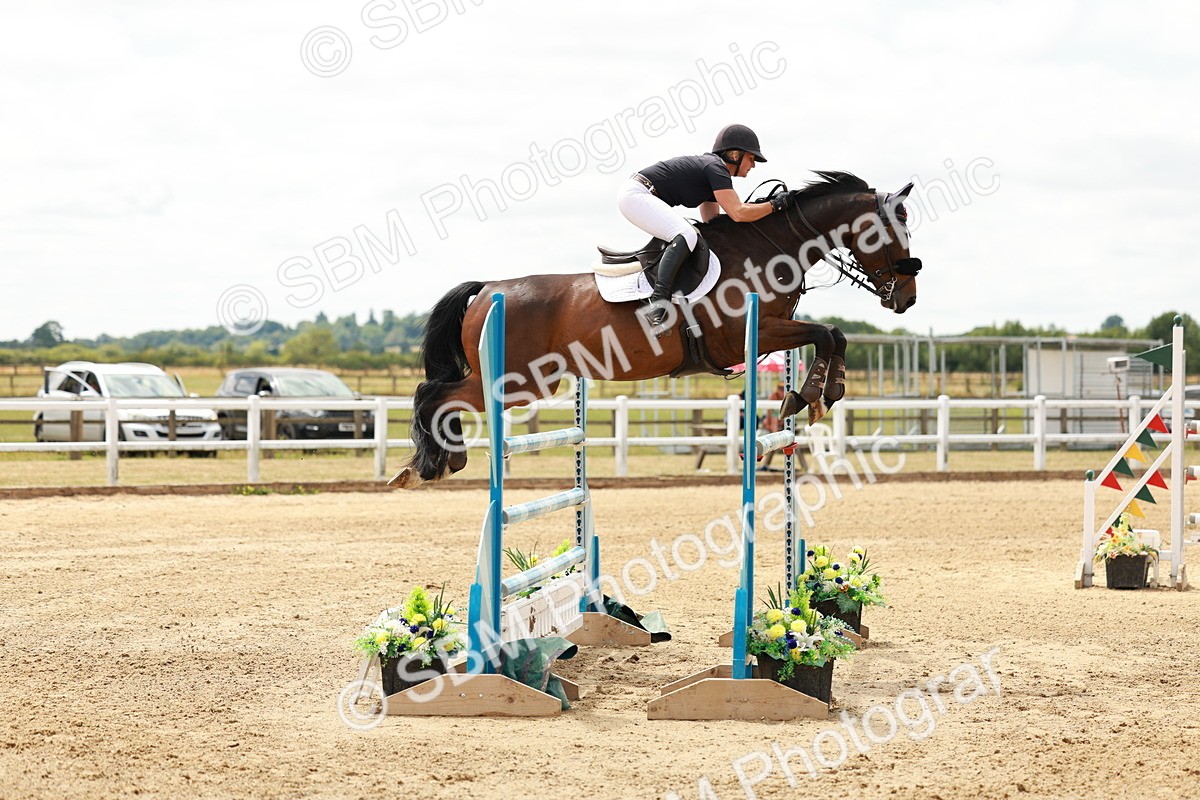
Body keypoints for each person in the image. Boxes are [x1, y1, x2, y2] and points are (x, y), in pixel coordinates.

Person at [617, 123, 790, 331]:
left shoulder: (712, 173)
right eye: (751, 158)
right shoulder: (716, 168)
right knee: (686, 234)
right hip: (637, 194)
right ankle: (658, 304)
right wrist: (774, 206)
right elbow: (738, 212)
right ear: (734, 155)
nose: (753, 165)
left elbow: (712, 222)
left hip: (638, 194)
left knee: (693, 235)